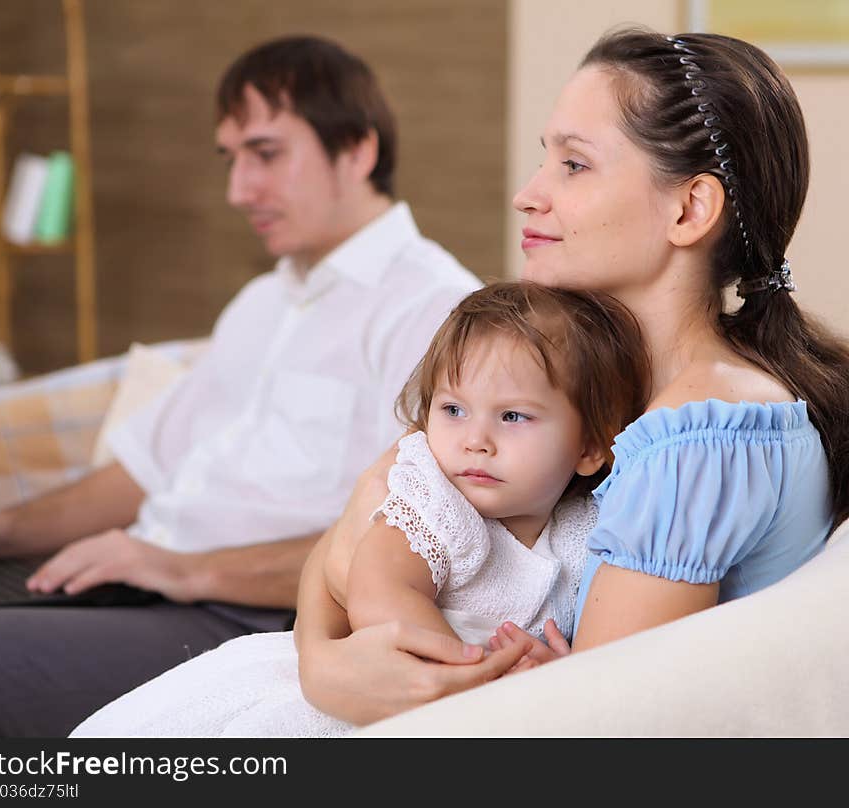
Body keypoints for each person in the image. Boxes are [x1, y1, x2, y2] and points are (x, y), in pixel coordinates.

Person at [289, 26, 849, 728]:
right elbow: (375, 510)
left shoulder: (698, 439)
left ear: (689, 209)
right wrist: (320, 659)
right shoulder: (582, 381)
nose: (528, 195)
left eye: (574, 166)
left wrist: (328, 663)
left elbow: (584, 737)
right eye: (544, 161)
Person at [0, 35, 480, 737]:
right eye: (232, 159)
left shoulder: (434, 314)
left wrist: (183, 570)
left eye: (266, 154)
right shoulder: (263, 303)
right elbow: (141, 473)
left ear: (357, 151)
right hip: (143, 582)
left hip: (243, 619)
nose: (240, 190)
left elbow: (410, 550)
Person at [71, 281, 650, 737]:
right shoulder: (438, 500)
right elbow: (379, 590)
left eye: (513, 417)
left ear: (589, 447)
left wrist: (550, 669)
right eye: (452, 409)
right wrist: (466, 677)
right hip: (375, 693)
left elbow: (592, 641)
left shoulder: (585, 529)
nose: (476, 439)